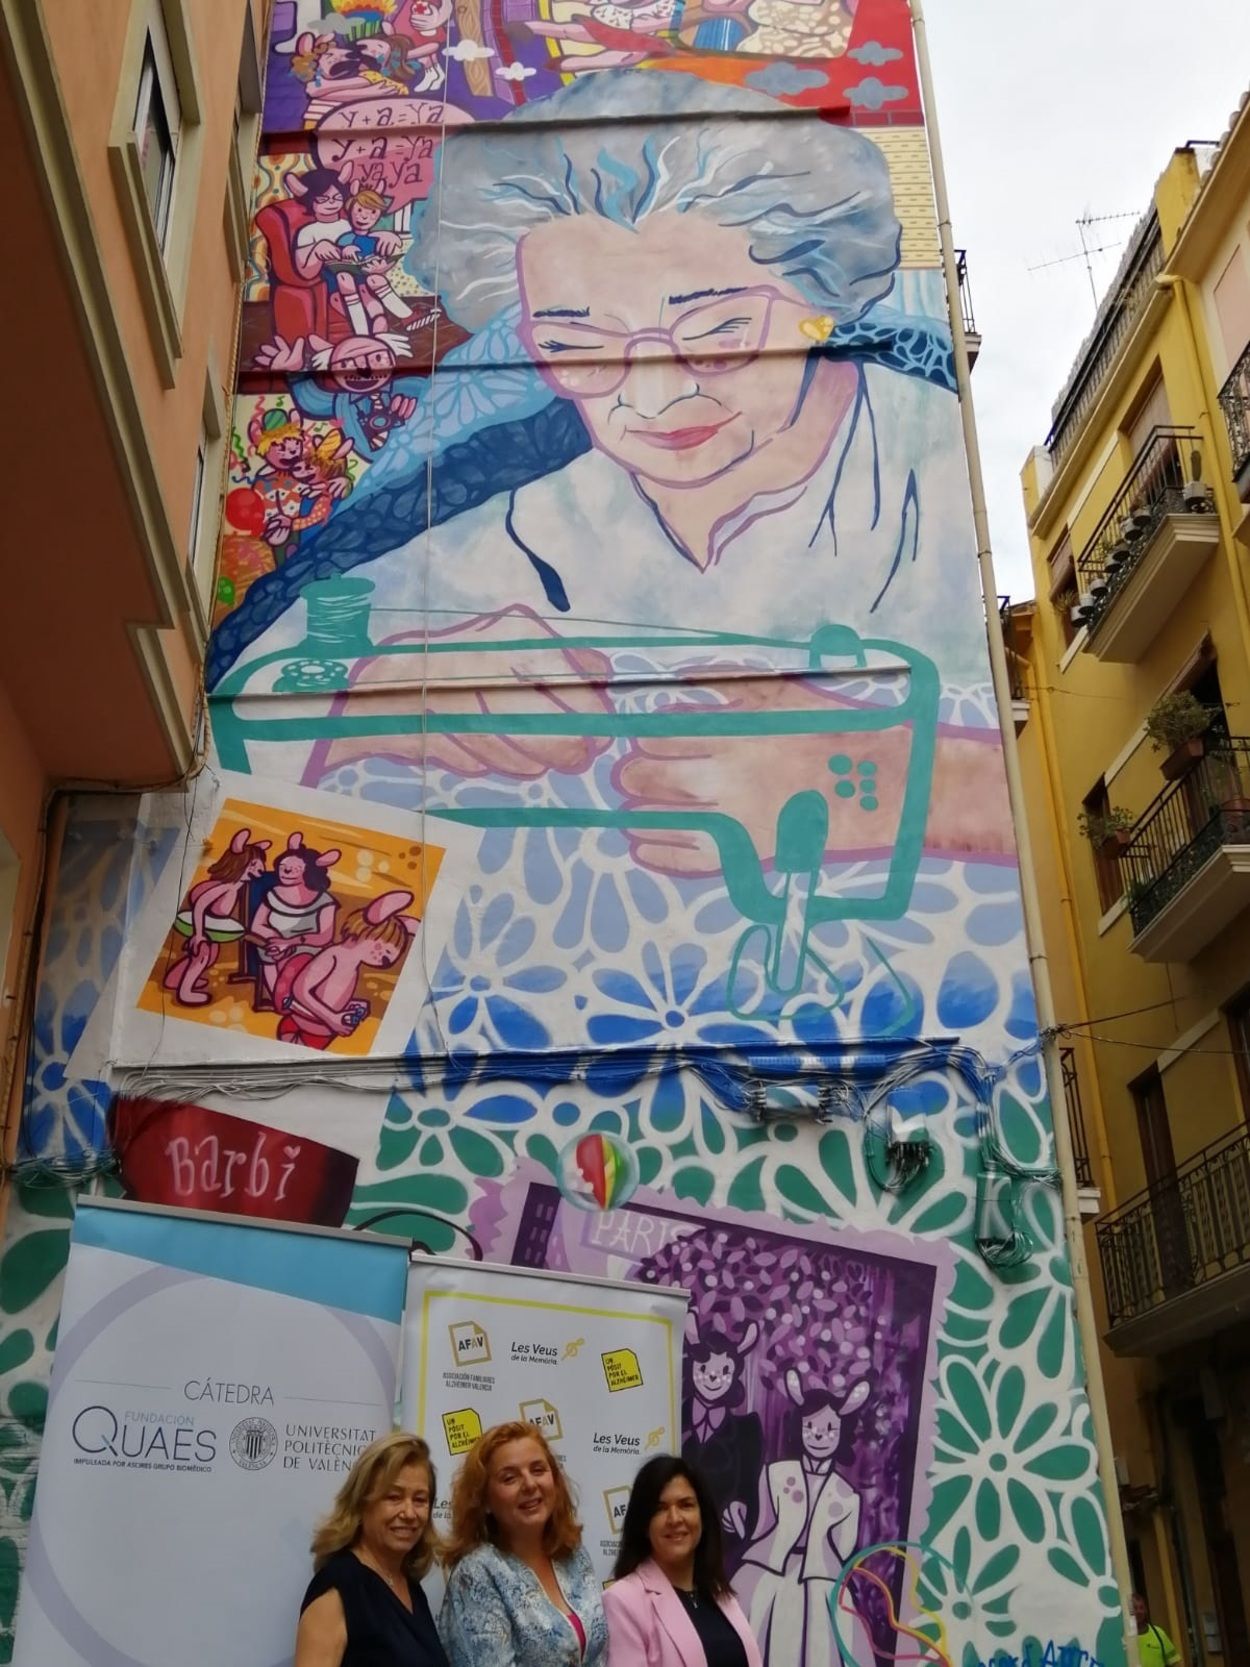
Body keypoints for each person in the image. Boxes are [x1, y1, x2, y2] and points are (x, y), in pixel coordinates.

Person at [439, 1420, 607, 1666]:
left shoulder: (574, 1554)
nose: (530, 1484)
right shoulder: (477, 1574)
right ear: (484, 1500)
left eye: (538, 1470)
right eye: (509, 1478)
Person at [294, 1430, 449, 1667]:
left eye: (419, 1500)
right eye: (394, 1497)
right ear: (361, 1503)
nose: (409, 1513)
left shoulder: (411, 1588)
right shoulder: (339, 1589)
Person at [603, 1455, 762, 1667]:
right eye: (660, 1509)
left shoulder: (719, 1593)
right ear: (643, 1524)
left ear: (703, 1518)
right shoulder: (622, 1600)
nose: (675, 1519)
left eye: (686, 1505)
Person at [1133, 1593, 1182, 1667]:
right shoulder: (1124, 1638)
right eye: (1135, 1608)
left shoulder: (1159, 1633)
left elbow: (1174, 1662)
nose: (1139, 1612)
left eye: (1141, 1608)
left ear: (1146, 1610)